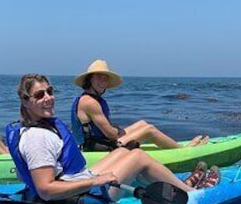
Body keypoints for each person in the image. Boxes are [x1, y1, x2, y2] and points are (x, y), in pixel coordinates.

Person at [6, 74, 220, 204]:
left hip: (77, 182)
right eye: (39, 95)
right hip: (82, 195)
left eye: (49, 91)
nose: (48, 98)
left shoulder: (39, 127)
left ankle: (176, 186)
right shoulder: (37, 138)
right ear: (25, 102)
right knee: (137, 157)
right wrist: (94, 181)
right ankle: (192, 196)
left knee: (124, 152)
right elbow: (45, 190)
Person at [70, 59, 208, 150]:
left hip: (100, 142)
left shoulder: (89, 99)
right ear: (89, 79)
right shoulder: (89, 102)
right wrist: (118, 130)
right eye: (99, 76)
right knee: (149, 130)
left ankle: (175, 145)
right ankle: (183, 151)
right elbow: (111, 135)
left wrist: (118, 130)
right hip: (94, 148)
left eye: (105, 77)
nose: (103, 80)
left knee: (143, 124)